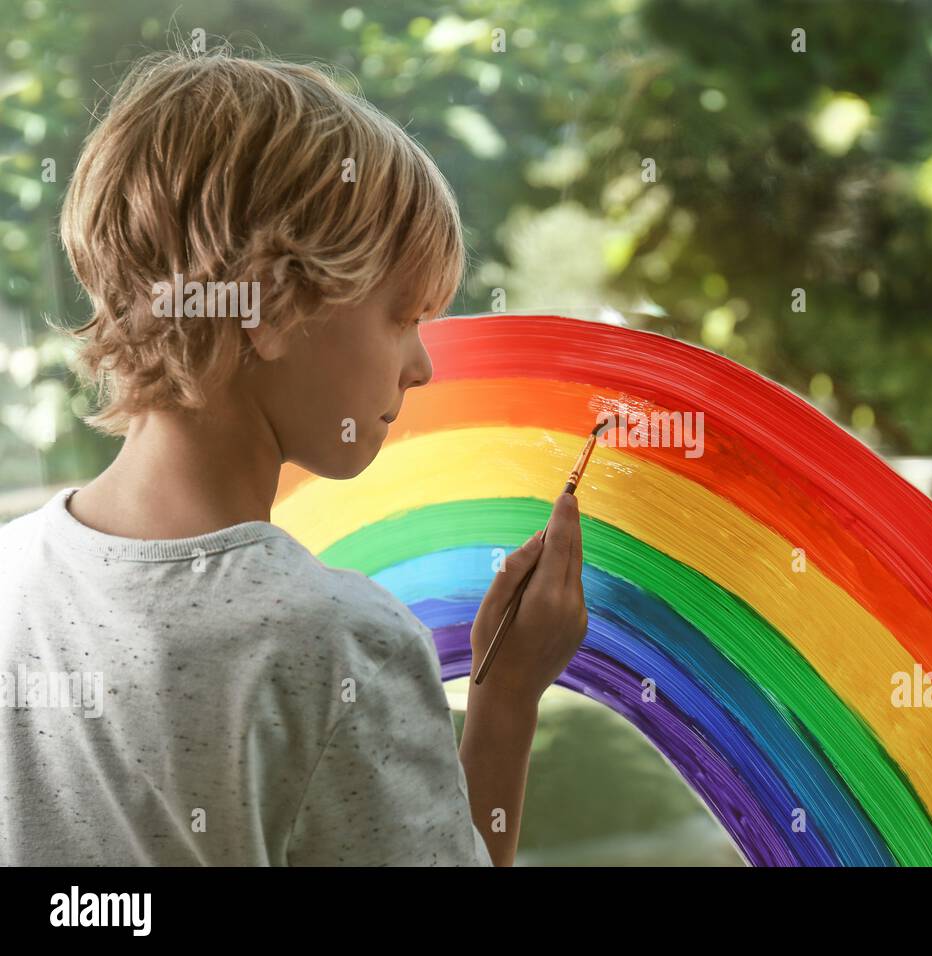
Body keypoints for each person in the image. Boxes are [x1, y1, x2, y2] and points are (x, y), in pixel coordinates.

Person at [0, 46, 589, 866]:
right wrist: (507, 697)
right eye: (402, 317)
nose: (422, 366)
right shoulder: (335, 643)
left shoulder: (10, 575)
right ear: (272, 307)